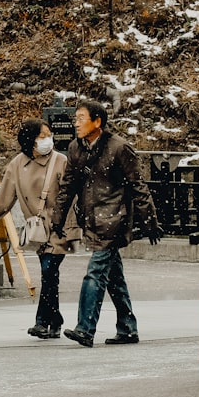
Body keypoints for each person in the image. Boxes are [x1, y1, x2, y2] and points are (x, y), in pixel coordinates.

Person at [50, 100, 161, 348]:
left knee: (95, 273)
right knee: (113, 277)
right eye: (75, 118)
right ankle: (127, 327)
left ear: (97, 121)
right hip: (92, 219)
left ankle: (85, 328)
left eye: (81, 118)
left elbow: (137, 186)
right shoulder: (76, 148)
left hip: (115, 220)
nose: (76, 123)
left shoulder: (119, 148)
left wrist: (149, 220)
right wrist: (58, 218)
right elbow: (67, 187)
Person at [0, 119, 82, 339]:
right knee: (49, 274)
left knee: (49, 270)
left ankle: (44, 322)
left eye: (49, 135)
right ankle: (54, 320)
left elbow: (74, 196)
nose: (47, 140)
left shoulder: (61, 161)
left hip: (60, 227)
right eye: (42, 136)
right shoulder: (17, 165)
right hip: (38, 230)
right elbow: (2, 201)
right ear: (30, 139)